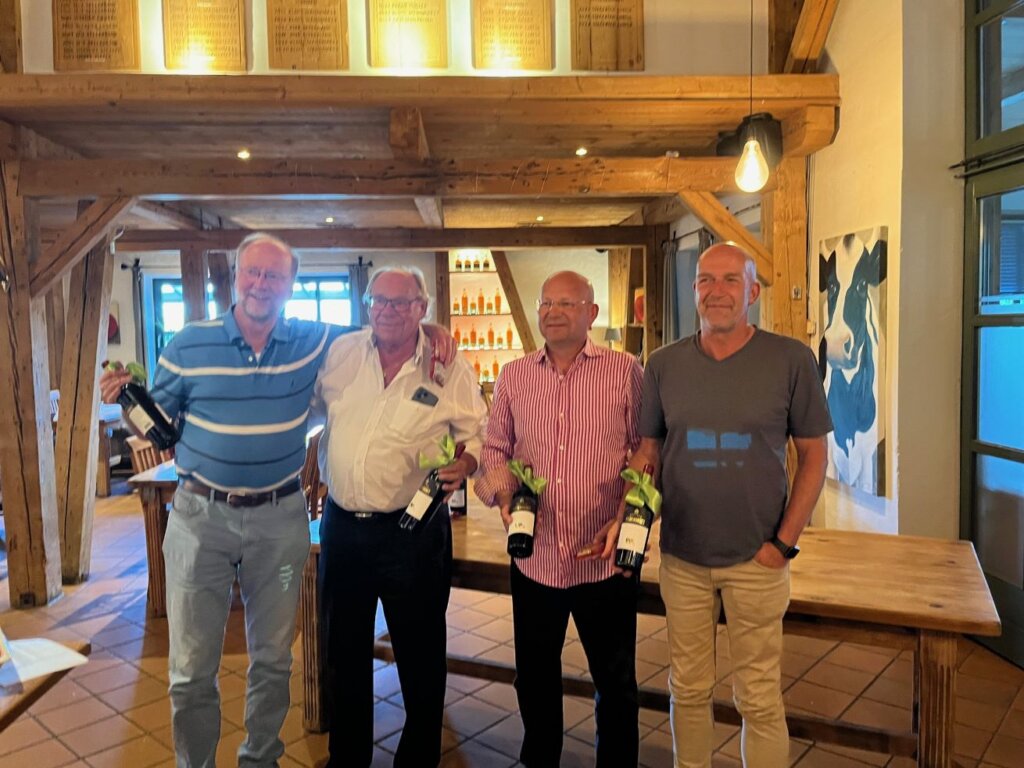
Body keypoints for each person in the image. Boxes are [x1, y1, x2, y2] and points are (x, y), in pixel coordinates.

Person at [99, 235, 453, 768]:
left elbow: (389, 323)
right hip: (200, 519)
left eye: (274, 276)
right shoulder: (189, 343)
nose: (261, 284)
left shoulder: (315, 340)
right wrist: (124, 399)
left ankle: (259, 760)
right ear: (236, 276)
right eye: (252, 272)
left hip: (280, 520)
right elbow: (158, 422)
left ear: (290, 285)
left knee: (272, 661)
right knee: (190, 669)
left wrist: (432, 329)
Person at [620, 243, 832, 768]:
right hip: (683, 558)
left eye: (731, 280)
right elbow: (648, 452)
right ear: (693, 290)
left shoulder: (790, 360)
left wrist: (783, 544)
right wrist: (629, 521)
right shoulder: (663, 364)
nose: (717, 291)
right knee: (688, 688)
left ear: (753, 291)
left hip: (757, 558)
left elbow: (813, 457)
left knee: (758, 698)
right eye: (706, 280)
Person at [312, 267, 487, 768]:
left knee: (420, 653)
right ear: (367, 304)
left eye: (401, 302)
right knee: (344, 651)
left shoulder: (447, 365)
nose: (387, 311)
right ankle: (348, 759)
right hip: (343, 527)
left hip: (413, 531)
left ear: (421, 308)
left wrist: (467, 462)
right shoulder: (340, 351)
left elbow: (477, 430)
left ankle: (418, 759)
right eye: (379, 301)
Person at [475, 271, 644, 768]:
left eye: (567, 303)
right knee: (534, 677)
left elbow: (646, 451)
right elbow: (495, 448)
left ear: (591, 313)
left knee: (615, 681)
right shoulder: (514, 375)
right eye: (546, 302)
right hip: (536, 557)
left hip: (603, 558)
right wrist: (504, 495)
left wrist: (629, 517)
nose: (553, 312)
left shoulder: (625, 371)